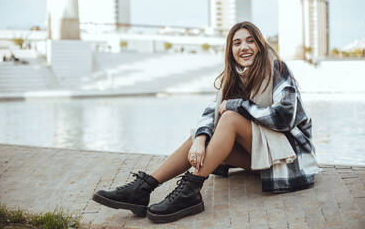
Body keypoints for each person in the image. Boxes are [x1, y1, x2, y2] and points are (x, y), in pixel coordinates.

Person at [92, 21, 319, 223]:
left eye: (250, 41)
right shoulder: (235, 76)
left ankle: (189, 191)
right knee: (202, 134)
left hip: (290, 159)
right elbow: (210, 113)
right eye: (237, 43)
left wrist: (238, 105)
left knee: (230, 118)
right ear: (231, 51)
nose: (244, 47)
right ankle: (144, 188)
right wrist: (200, 140)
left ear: (260, 45)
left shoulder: (276, 68)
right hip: (262, 156)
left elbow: (284, 116)